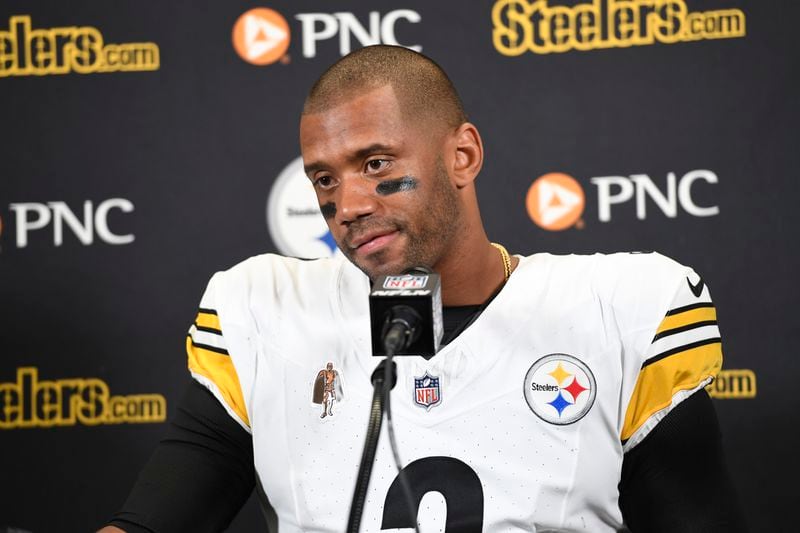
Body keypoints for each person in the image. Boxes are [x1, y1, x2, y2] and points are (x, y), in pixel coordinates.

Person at [100, 45, 746, 532]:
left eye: (376, 164)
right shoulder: (265, 309)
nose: (347, 204)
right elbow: (154, 521)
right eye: (324, 180)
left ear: (461, 156)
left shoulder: (616, 308)